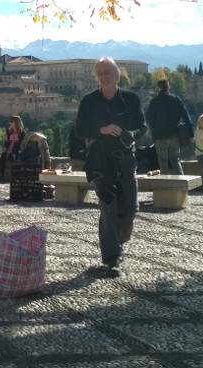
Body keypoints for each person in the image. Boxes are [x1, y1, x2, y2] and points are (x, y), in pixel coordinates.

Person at [74, 57, 146, 279]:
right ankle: (112, 259)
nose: (104, 77)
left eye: (108, 72)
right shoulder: (89, 101)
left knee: (130, 208)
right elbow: (80, 129)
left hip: (125, 158)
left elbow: (143, 127)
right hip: (100, 161)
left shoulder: (131, 99)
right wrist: (102, 130)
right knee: (108, 208)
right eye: (100, 73)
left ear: (117, 74)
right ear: (97, 76)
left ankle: (117, 243)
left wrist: (131, 134)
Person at [146, 79, 193, 175]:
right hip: (174, 135)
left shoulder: (154, 102)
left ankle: (165, 186)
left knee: (163, 163)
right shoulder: (177, 100)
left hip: (159, 136)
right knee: (176, 160)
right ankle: (182, 185)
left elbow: (149, 119)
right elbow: (186, 117)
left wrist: (152, 130)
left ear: (158, 88)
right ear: (169, 87)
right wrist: (191, 134)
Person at [0, 115, 26, 182]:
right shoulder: (9, 132)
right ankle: (1, 175)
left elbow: (21, 145)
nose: (10, 123)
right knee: (3, 156)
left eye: (12, 122)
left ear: (16, 123)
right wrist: (5, 140)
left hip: (17, 151)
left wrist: (12, 150)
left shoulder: (22, 133)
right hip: (9, 150)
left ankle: (15, 175)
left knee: (12, 157)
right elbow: (6, 145)